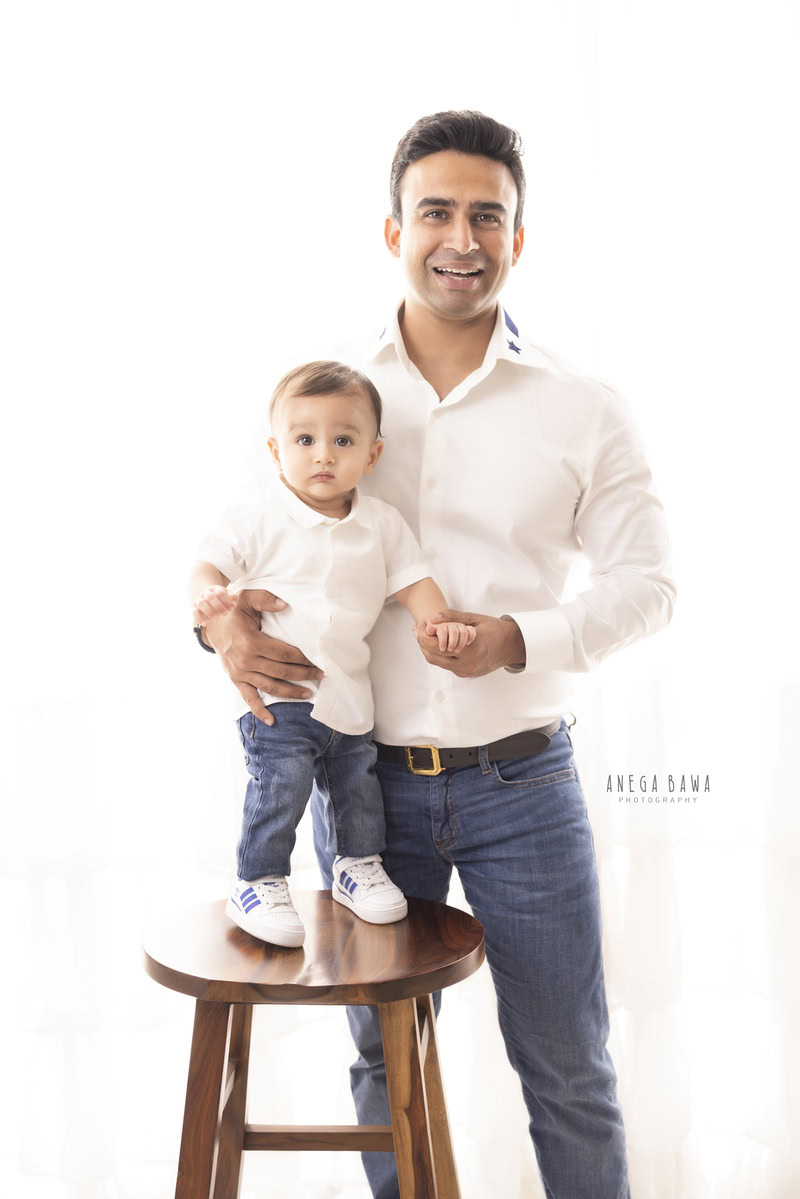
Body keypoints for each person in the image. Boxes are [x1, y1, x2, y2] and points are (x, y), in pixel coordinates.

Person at [198, 111, 676, 1198]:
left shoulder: (583, 405)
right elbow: (240, 551)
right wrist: (219, 626)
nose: (458, 237)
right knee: (383, 1059)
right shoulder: (321, 398)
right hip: (361, 787)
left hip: (524, 780)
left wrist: (523, 638)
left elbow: (648, 584)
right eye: (434, 212)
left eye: (484, 216)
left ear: (517, 237)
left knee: (568, 1068)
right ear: (391, 230)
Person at [190, 359, 475, 948]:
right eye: (305, 439)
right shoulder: (258, 518)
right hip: (281, 696)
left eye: (342, 441)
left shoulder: (380, 524)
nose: (323, 455)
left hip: (349, 695)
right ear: (276, 450)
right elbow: (206, 566)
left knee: (358, 788)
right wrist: (211, 603)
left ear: (371, 456)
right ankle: (258, 880)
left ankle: (356, 864)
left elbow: (413, 581)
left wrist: (436, 622)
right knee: (281, 787)